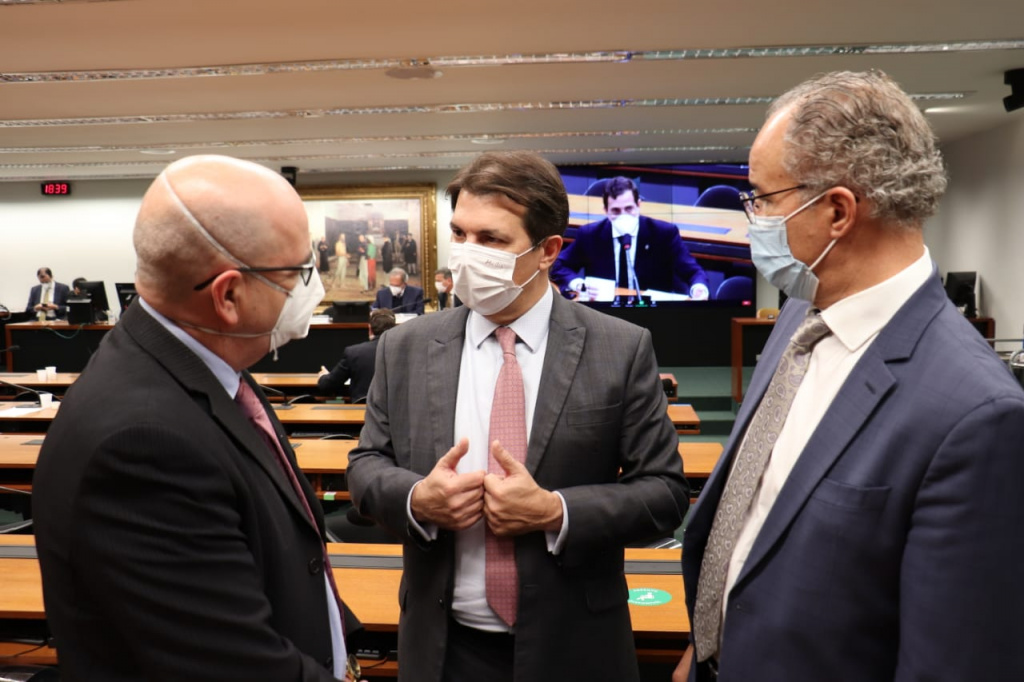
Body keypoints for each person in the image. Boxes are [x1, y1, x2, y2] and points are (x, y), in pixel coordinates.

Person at [676, 71, 1024, 682]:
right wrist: (709, 644)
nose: (754, 217)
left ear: (837, 211)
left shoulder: (977, 416)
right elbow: (755, 510)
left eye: (762, 198)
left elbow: (952, 659)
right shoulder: (801, 313)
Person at [347, 150, 689, 682]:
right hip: (442, 647)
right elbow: (366, 464)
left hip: (575, 643)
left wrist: (555, 511)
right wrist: (417, 498)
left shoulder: (619, 348)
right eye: (459, 234)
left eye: (491, 239)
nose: (466, 253)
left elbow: (665, 493)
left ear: (547, 250)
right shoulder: (404, 347)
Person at [33, 155, 363, 681]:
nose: (312, 287)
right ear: (228, 295)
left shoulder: (202, 363)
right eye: (299, 272)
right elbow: (239, 666)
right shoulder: (144, 444)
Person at [549, 177, 710, 299]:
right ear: (606, 211)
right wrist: (578, 284)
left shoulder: (664, 233)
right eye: (616, 211)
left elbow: (693, 271)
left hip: (652, 311)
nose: (623, 215)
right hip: (606, 312)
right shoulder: (591, 234)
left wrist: (699, 288)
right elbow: (558, 265)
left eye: (629, 209)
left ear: (638, 206)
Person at [317, 308, 397, 402]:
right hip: (395, 409)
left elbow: (328, 385)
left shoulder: (354, 352)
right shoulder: (406, 352)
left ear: (370, 329)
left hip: (362, 408)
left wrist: (323, 377)